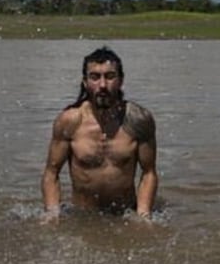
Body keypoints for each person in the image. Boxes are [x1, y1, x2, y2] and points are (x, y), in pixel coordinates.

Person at [41, 46, 158, 222]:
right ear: (85, 81)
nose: (102, 85)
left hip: (124, 213)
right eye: (95, 77)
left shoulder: (139, 120)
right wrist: (51, 213)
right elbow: (51, 172)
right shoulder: (69, 121)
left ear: (121, 80)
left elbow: (149, 172)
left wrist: (143, 215)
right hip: (82, 216)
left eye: (110, 77)